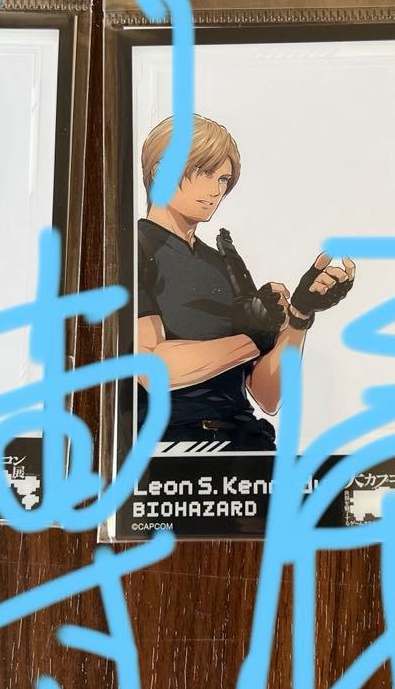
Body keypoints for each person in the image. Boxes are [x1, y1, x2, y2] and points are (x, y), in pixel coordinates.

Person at [135, 114, 355, 451]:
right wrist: (253, 338)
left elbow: (267, 395)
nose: (215, 190)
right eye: (205, 172)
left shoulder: (223, 263)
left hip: (244, 440)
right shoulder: (134, 249)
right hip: (170, 445)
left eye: (223, 179)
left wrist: (299, 316)